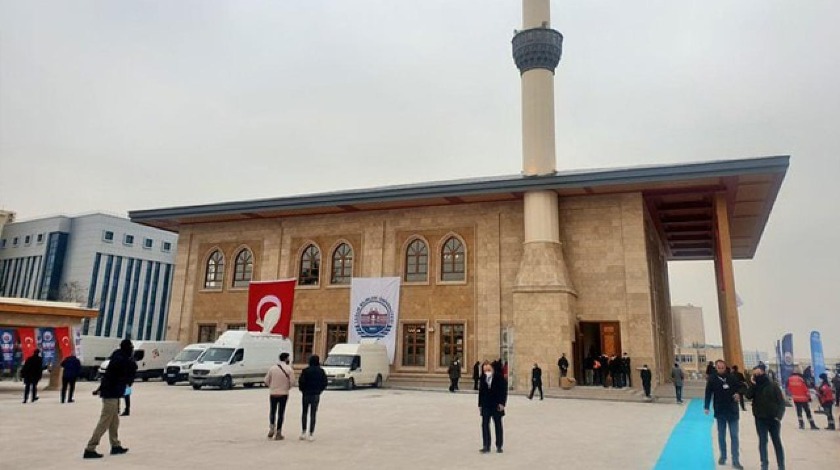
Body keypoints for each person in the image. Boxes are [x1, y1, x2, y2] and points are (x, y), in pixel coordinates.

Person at [83, 339, 135, 459]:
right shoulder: (121, 361)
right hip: (111, 393)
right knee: (105, 421)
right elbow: (119, 376)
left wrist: (100, 389)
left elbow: (109, 376)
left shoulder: (118, 358)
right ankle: (90, 448)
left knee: (114, 421)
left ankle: (115, 445)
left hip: (113, 393)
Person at [704, 359, 744, 469]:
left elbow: (741, 387)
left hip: (732, 411)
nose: (721, 369)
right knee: (721, 435)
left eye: (722, 367)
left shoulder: (732, 377)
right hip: (720, 410)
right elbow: (708, 393)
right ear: (716, 368)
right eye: (719, 367)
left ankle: (735, 460)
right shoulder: (712, 379)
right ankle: (723, 456)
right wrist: (706, 406)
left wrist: (738, 394)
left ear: (725, 367)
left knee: (734, 436)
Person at [745, 365, 785, 470]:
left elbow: (781, 402)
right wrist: (752, 384)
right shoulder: (755, 386)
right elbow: (748, 396)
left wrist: (778, 416)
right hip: (760, 419)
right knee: (762, 441)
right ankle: (764, 464)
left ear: (764, 372)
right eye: (755, 374)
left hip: (773, 419)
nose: (757, 375)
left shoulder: (773, 386)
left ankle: (781, 465)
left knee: (777, 442)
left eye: (759, 373)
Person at [478, 360, 507, 454]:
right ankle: (486, 445)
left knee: (498, 425)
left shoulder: (499, 377)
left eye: (488, 369)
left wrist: (502, 403)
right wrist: (480, 405)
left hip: (496, 404)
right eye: (485, 370)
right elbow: (481, 392)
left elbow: (503, 391)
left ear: (492, 369)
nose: (487, 371)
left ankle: (499, 445)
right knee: (485, 425)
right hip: (486, 405)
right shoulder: (482, 378)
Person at [264, 352, 294, 440]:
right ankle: (279, 432)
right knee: (281, 413)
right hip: (283, 394)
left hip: (273, 393)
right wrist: (287, 387)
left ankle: (272, 427)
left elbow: (266, 380)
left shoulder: (272, 368)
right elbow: (292, 382)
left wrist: (272, 386)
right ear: (286, 359)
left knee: (272, 411)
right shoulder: (289, 369)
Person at [298, 354, 328, 441]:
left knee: (304, 412)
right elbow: (325, 383)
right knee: (313, 414)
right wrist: (320, 390)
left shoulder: (306, 370)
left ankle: (303, 432)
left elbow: (301, 382)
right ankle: (311, 433)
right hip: (316, 394)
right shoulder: (321, 371)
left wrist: (303, 390)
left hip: (306, 394)